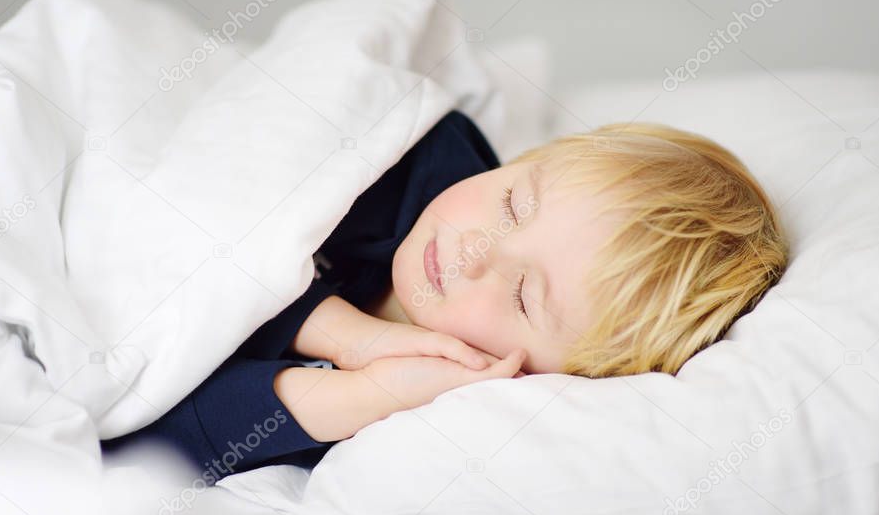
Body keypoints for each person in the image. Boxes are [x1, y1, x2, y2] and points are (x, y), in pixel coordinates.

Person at [101, 110, 788, 481]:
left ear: (544, 374)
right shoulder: (413, 160)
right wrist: (352, 336)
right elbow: (209, 241)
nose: (479, 248)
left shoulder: (429, 416)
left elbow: (151, 434)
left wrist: (365, 394)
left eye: (523, 295)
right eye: (515, 203)